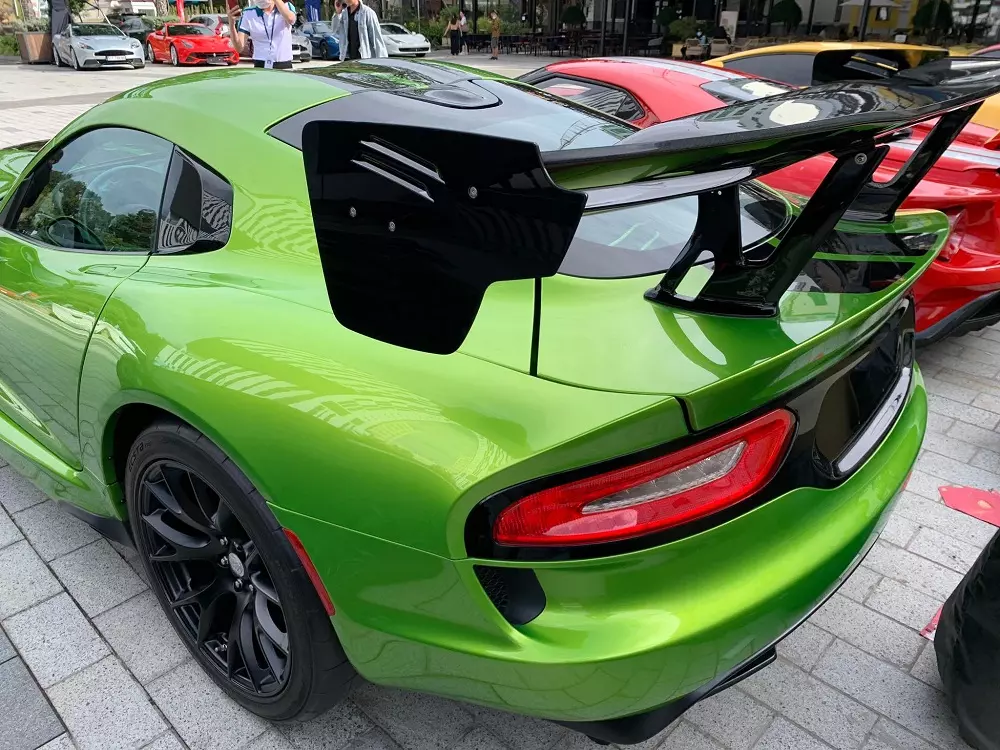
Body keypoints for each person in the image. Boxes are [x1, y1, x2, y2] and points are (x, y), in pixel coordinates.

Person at [228, 0, 297, 69]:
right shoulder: (248, 13)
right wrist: (231, 25)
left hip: (284, 64)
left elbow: (291, 19)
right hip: (260, 64)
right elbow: (239, 48)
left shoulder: (286, 6)